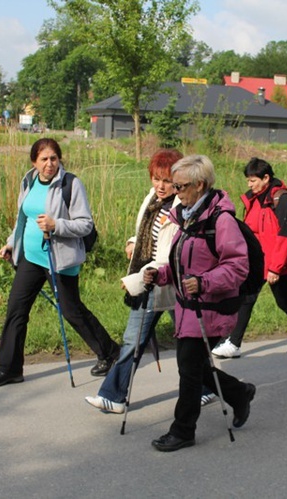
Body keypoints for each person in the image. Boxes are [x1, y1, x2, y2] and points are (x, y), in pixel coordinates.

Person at [0, 138, 120, 387]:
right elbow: (21, 219)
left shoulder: (71, 184)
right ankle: (10, 369)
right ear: (34, 161)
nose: (49, 164)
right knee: (16, 310)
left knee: (71, 310)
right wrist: (11, 243)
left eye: (54, 158)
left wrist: (57, 225)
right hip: (31, 257)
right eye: (44, 159)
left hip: (60, 259)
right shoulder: (28, 181)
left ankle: (110, 352)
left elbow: (85, 224)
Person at [143, 154, 256, 452]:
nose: (175, 192)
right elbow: (183, 261)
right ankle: (239, 392)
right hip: (188, 307)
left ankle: (183, 430)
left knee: (189, 370)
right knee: (194, 367)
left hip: (212, 308)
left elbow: (237, 267)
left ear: (200, 185)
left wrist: (205, 282)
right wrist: (162, 273)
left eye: (180, 186)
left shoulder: (222, 220)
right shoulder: (188, 215)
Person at [84, 150, 183, 413]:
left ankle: (217, 388)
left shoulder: (180, 209)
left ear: (178, 180)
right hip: (150, 280)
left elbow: (168, 253)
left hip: (165, 283)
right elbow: (146, 233)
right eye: (156, 178)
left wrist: (137, 280)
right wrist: (132, 241)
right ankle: (113, 396)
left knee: (185, 343)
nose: (160, 186)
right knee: (135, 340)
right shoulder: (152, 199)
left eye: (166, 180)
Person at [211, 157, 287, 358]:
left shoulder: (283, 201)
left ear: (266, 178)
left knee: (284, 301)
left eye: (252, 180)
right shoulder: (254, 199)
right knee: (246, 298)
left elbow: (286, 236)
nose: (249, 184)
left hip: (279, 264)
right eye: (248, 180)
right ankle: (234, 343)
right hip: (257, 262)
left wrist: (275, 267)